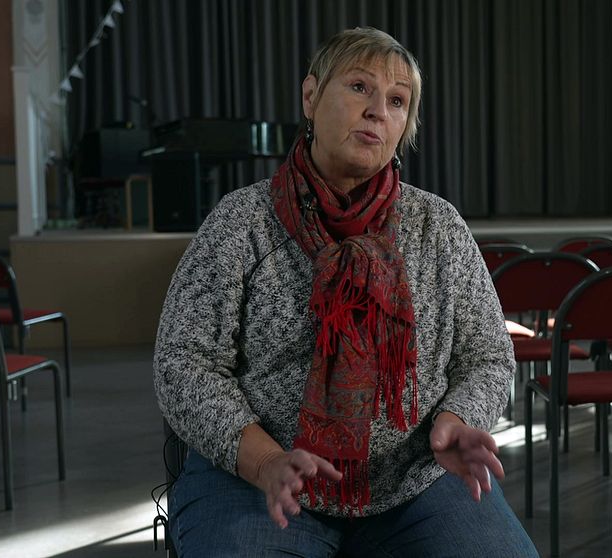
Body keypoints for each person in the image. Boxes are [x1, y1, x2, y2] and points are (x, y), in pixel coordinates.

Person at [154, 27, 538, 557]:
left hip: (413, 481)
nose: (378, 110)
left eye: (397, 101)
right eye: (360, 87)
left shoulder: (438, 226)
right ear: (310, 97)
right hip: (255, 479)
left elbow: (487, 355)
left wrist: (457, 420)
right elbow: (183, 362)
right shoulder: (242, 222)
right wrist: (264, 461)